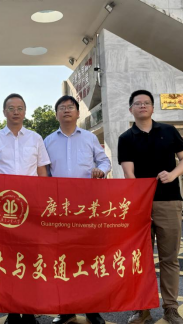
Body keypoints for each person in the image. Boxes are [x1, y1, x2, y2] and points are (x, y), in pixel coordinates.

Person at [118, 90, 183, 325]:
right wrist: (138, 197)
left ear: (152, 108)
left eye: (146, 103)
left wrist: (173, 174)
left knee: (170, 258)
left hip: (169, 201)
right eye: (137, 103)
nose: (142, 106)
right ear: (130, 109)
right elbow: (129, 173)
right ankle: (142, 309)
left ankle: (171, 308)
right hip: (140, 205)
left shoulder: (169, 131)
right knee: (141, 259)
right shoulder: (126, 138)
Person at [0, 93, 51, 325]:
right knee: (8, 260)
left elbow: (42, 172)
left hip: (31, 208)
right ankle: (12, 311)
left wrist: (42, 204)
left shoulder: (35, 138)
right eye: (11, 108)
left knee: (30, 260)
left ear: (25, 112)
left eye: (20, 108)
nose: (15, 111)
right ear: (4, 112)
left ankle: (29, 311)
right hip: (5, 210)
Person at [44, 96, 110, 325]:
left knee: (89, 258)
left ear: (77, 113)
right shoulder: (48, 141)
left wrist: (100, 171)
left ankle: (92, 310)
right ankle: (66, 310)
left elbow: (105, 162)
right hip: (60, 208)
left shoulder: (90, 138)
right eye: (61, 108)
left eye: (70, 107)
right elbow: (44, 173)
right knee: (63, 259)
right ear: (56, 114)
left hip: (86, 207)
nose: (66, 111)